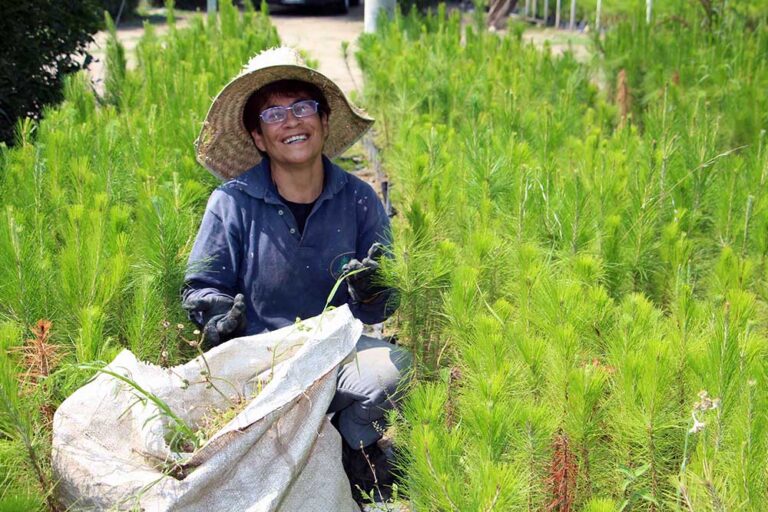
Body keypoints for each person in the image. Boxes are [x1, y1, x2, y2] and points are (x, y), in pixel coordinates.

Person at [182, 47, 411, 502]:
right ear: (258, 137)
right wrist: (216, 316)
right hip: (258, 360)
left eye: (304, 107)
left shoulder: (359, 198)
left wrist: (373, 289)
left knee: (393, 370)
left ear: (324, 123)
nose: (292, 121)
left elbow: (386, 300)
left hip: (333, 353)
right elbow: (201, 288)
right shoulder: (232, 203)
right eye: (274, 114)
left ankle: (354, 448)